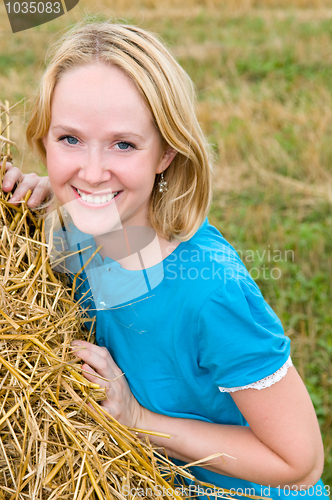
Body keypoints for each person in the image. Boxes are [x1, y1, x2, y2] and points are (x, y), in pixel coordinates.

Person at [2, 20, 328, 500]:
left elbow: (298, 463)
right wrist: (41, 207)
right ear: (42, 139)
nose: (92, 172)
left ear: (166, 153)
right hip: (136, 481)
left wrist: (138, 420)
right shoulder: (82, 230)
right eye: (69, 139)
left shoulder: (209, 290)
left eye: (124, 144)